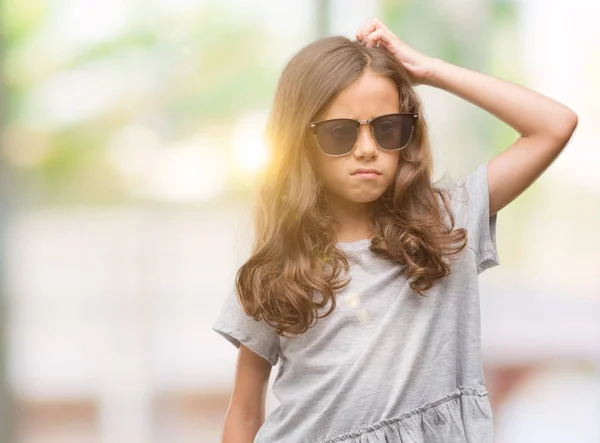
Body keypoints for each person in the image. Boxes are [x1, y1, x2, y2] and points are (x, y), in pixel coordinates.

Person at [211, 17, 578, 443]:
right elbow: (243, 415)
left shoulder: (446, 223)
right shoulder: (277, 270)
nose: (367, 149)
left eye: (387, 128)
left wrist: (430, 71)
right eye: (339, 133)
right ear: (301, 142)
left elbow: (554, 125)